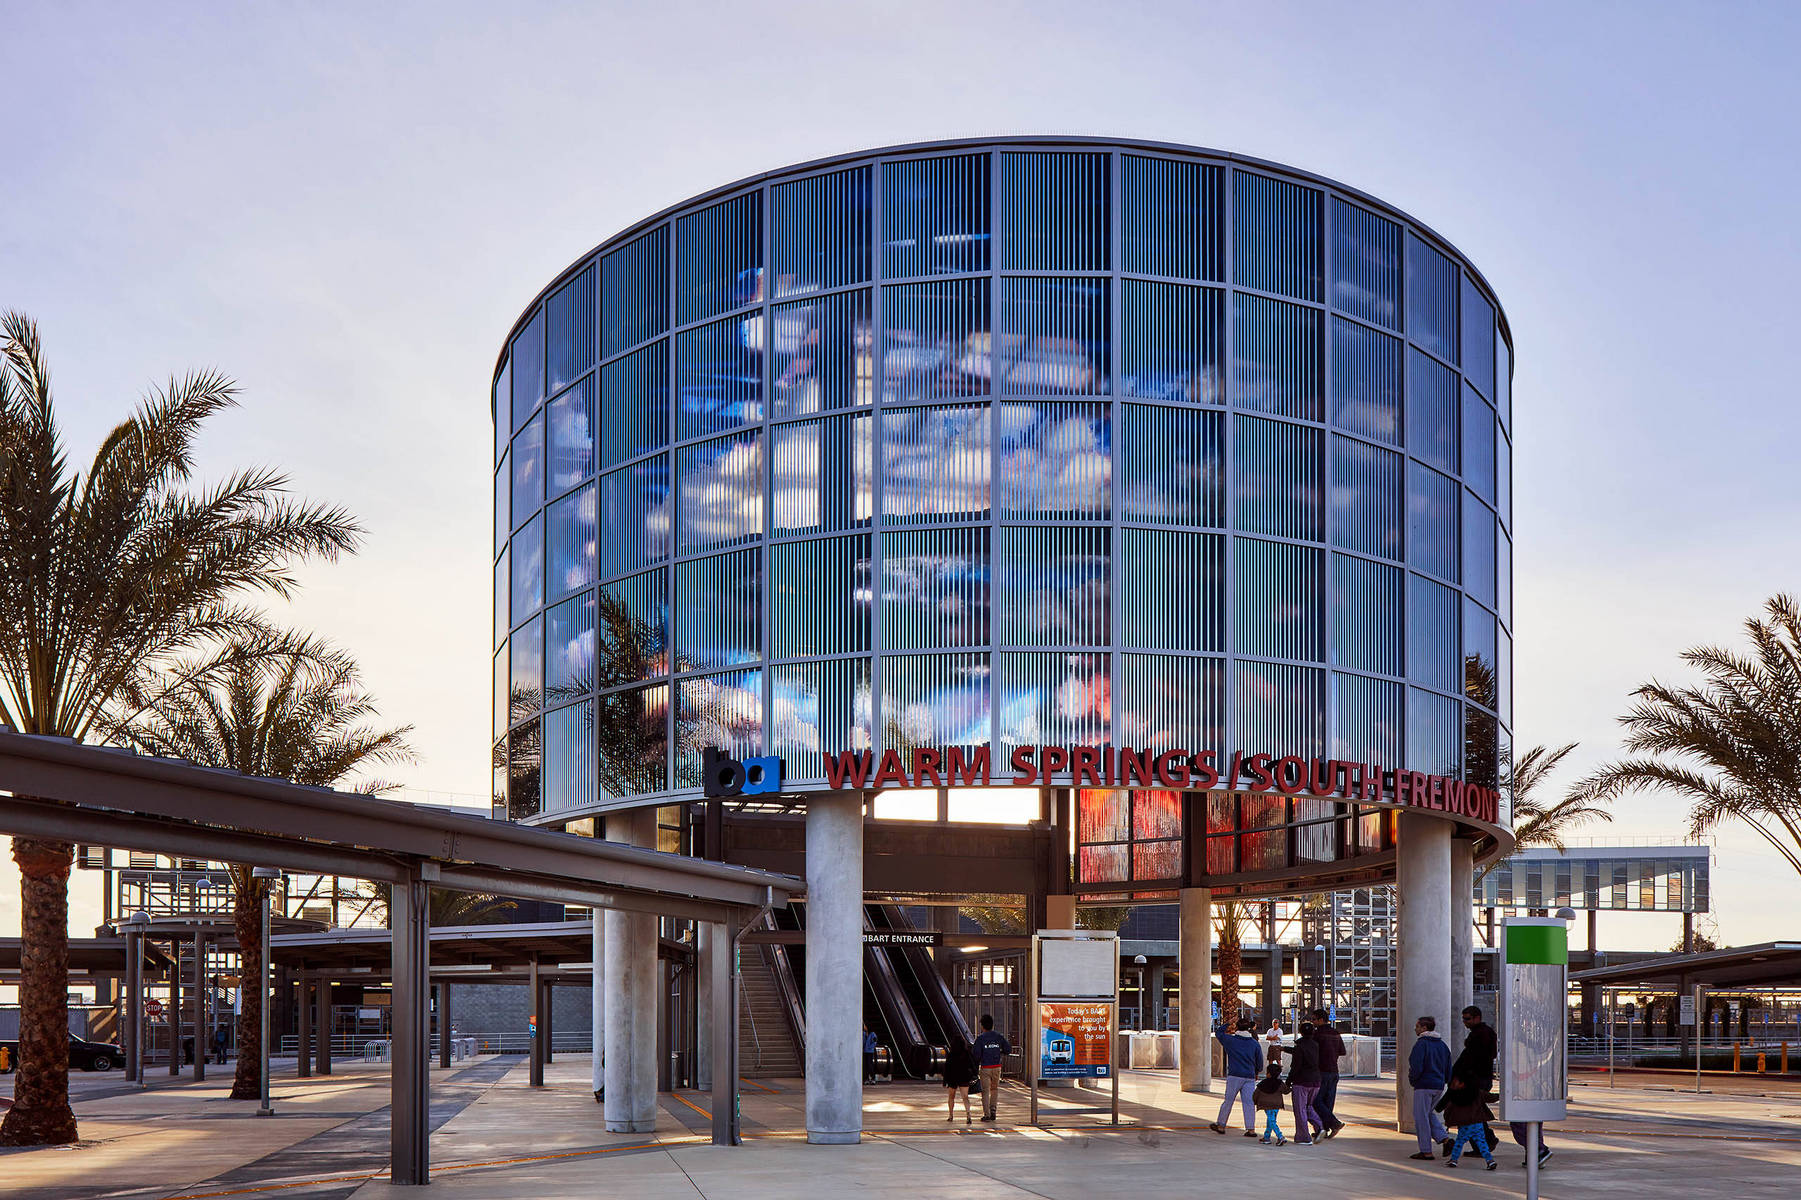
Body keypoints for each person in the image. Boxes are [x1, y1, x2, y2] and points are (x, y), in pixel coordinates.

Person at [1405, 1015, 1451, 1160]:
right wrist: (1445, 1081)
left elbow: (1416, 1066)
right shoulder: (1442, 1045)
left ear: (1424, 1028)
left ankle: (1426, 1151)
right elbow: (1448, 1066)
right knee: (1428, 1113)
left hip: (1424, 1085)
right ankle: (1444, 1139)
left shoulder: (1421, 1044)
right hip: (1438, 1085)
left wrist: (1413, 1080)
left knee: (1420, 1117)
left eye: (1417, 1026)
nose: (1415, 1028)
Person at [1209, 1017, 1264, 1136]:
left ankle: (1221, 1125)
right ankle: (1251, 1129)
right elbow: (1259, 1062)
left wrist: (1228, 1022)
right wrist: (1256, 1072)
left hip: (1234, 1075)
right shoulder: (1254, 1043)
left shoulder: (1231, 1040)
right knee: (1249, 1103)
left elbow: (1218, 1033)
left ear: (1237, 1027)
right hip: (1249, 1076)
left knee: (1228, 1101)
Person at [1456, 1005, 1499, 1153]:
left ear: (1477, 1018)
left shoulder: (1480, 1034)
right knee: (1474, 1113)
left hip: (1476, 1079)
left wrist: (1462, 1077)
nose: (1464, 1022)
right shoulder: (1484, 1033)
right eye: (1463, 1019)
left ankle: (1485, 1143)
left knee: (1472, 1114)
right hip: (1480, 1077)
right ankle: (1485, 1143)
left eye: (1467, 1019)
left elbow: (1472, 1059)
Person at [1439, 1073, 1498, 1170]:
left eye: (1455, 1082)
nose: (1453, 1083)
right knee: (1482, 1143)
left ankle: (1454, 1160)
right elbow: (1491, 1097)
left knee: (1459, 1142)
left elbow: (1449, 1110)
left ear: (1462, 1084)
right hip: (1478, 1124)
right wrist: (1501, 1095)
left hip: (1464, 1125)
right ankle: (1490, 1161)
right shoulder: (1478, 1093)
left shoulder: (1457, 1096)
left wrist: (1448, 1122)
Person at [1284, 1020, 1324, 1145]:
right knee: (1308, 1106)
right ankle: (1320, 1127)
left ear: (1300, 1032)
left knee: (1300, 1109)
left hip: (1301, 1081)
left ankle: (1303, 1137)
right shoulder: (1316, 1045)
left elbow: (1296, 1066)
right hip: (1316, 1081)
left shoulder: (1299, 1046)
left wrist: (1288, 1081)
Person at [1309, 1008, 1346, 1138]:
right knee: (1328, 1101)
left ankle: (1333, 1123)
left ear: (1320, 1020)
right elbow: (1342, 1051)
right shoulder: (1335, 1033)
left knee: (1315, 1101)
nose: (1312, 1022)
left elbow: (1311, 1051)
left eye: (1314, 1019)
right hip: (1334, 1071)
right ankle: (1325, 1129)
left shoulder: (1317, 1034)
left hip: (1321, 1071)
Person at [972, 1013, 1011, 1123]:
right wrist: (999, 1052)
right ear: (992, 1025)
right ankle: (993, 1110)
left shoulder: (980, 1039)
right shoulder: (999, 1037)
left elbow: (976, 1055)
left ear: (982, 1026)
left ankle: (987, 1114)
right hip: (997, 1067)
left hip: (986, 1068)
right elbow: (1008, 1049)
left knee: (985, 1091)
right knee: (994, 1089)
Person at [1252, 1060, 1289, 1145]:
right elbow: (1286, 1091)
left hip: (1266, 1105)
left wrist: (1255, 1101)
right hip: (1277, 1105)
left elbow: (1255, 1094)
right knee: (1271, 1120)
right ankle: (1266, 1137)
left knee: (1271, 1121)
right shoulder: (1279, 1083)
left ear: (1268, 1073)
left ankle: (1280, 1136)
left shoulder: (1263, 1083)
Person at [942, 1037, 977, 1124]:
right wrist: (974, 1074)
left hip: (952, 1077)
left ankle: (951, 1115)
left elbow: (947, 1068)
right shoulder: (967, 1053)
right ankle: (968, 1115)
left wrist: (945, 1081)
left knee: (951, 1097)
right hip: (964, 1076)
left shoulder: (951, 1054)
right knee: (965, 1097)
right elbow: (972, 1065)